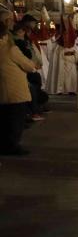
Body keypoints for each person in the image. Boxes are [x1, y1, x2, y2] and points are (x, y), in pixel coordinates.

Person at [0, 17, 37, 155]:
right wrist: (32, 66)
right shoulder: (10, 49)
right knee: (15, 120)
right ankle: (12, 146)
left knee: (4, 120)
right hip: (14, 89)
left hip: (2, 89)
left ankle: (4, 145)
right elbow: (27, 64)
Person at [46, 16, 78, 95]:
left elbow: (76, 50)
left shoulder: (73, 39)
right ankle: (60, 89)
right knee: (61, 74)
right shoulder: (58, 43)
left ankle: (72, 89)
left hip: (71, 60)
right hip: (61, 59)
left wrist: (76, 57)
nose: (66, 36)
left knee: (71, 75)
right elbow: (55, 54)